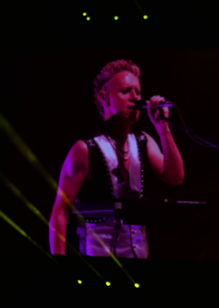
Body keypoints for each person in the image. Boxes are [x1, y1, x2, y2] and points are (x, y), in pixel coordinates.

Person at [49, 59, 184, 258]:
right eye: (126, 91)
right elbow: (60, 213)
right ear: (104, 97)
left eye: (138, 92)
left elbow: (175, 177)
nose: (135, 97)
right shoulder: (84, 149)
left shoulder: (143, 141)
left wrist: (163, 128)